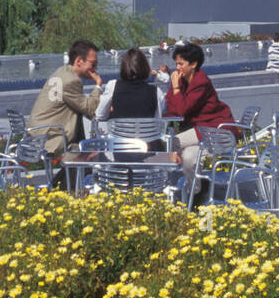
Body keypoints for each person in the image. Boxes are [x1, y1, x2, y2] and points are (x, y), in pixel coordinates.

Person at [162, 42, 237, 204]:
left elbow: (181, 110)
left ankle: (169, 189)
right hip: (200, 132)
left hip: (214, 131)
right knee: (189, 157)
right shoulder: (183, 81)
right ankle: (197, 192)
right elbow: (170, 105)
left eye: (181, 64)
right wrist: (175, 91)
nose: (177, 68)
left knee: (172, 144)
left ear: (194, 64)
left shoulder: (200, 82)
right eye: (176, 64)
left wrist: (174, 87)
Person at [30, 39, 103, 161]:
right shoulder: (71, 81)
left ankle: (71, 178)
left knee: (88, 151)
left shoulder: (62, 72)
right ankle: (72, 178)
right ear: (79, 61)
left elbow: (84, 107)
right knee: (96, 155)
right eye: (93, 64)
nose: (95, 69)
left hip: (40, 134)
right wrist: (98, 85)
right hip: (50, 139)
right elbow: (90, 109)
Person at [96, 47, 169, 138]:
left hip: (120, 147)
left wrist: (114, 112)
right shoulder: (156, 92)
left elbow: (100, 115)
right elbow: (156, 121)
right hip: (147, 147)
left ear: (124, 66)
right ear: (145, 67)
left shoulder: (112, 86)